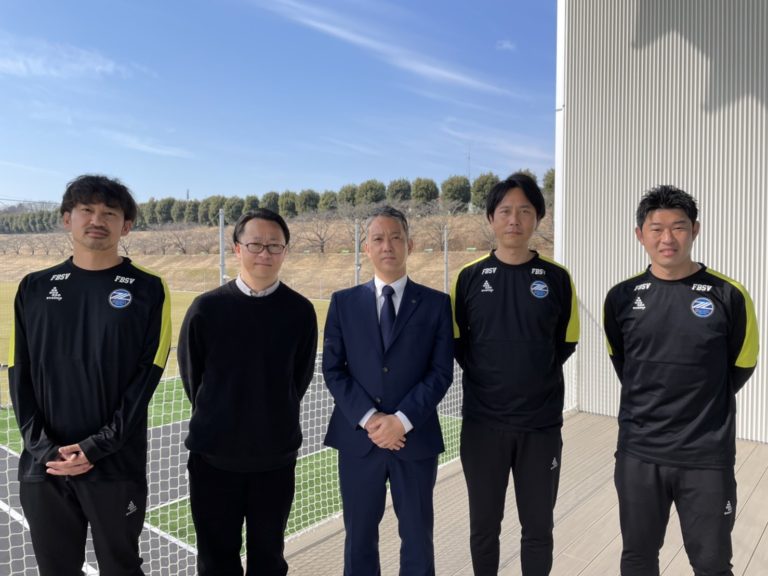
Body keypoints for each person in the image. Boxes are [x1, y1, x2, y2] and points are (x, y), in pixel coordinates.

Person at [8, 174, 171, 576]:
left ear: (126, 226)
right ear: (67, 219)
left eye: (109, 213)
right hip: (45, 466)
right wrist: (44, 448)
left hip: (114, 465)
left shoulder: (149, 289)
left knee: (121, 568)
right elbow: (19, 374)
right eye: (87, 210)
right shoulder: (33, 287)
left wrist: (98, 445)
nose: (97, 220)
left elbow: (146, 378)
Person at [603, 185, 758, 576]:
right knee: (638, 558)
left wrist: (701, 402)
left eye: (678, 227)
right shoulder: (621, 297)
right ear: (640, 235)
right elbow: (625, 365)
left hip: (705, 456)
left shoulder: (729, 295)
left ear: (695, 230)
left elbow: (742, 364)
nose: (667, 238)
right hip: (639, 453)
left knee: (712, 564)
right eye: (656, 229)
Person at [451, 172, 579, 576]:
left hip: (540, 428)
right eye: (505, 211)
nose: (514, 220)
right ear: (491, 218)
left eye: (524, 211)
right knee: (484, 528)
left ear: (538, 218)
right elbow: (458, 344)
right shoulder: (469, 278)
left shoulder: (557, 279)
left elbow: (565, 343)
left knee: (538, 529)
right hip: (483, 427)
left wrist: (530, 372)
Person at [178, 208, 317, 576]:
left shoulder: (300, 311)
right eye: (255, 244)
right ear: (237, 249)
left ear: (285, 251)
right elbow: (193, 378)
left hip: (275, 461)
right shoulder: (206, 308)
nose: (264, 253)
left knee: (268, 559)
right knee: (215, 561)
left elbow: (298, 379)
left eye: (274, 246)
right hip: (213, 461)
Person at [323, 205, 454, 576]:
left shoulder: (436, 304)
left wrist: (402, 420)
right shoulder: (343, 303)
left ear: (409, 244)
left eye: (396, 237)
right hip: (359, 441)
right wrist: (370, 419)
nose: (387, 246)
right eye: (378, 239)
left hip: (415, 439)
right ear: (366, 247)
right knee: (359, 539)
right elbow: (333, 369)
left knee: (417, 538)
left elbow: (440, 372)